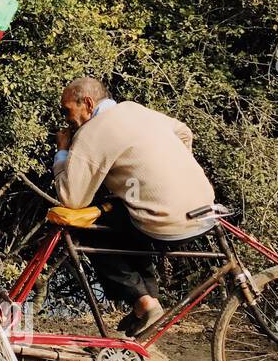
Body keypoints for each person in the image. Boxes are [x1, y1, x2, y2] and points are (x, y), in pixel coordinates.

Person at [53, 76, 214, 337]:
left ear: (87, 103)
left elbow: (71, 198)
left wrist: (62, 152)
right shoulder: (134, 109)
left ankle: (144, 302)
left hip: (169, 224)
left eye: (67, 110)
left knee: (88, 227)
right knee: (124, 213)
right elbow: (184, 132)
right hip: (204, 206)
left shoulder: (90, 133)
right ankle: (147, 304)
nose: (66, 118)